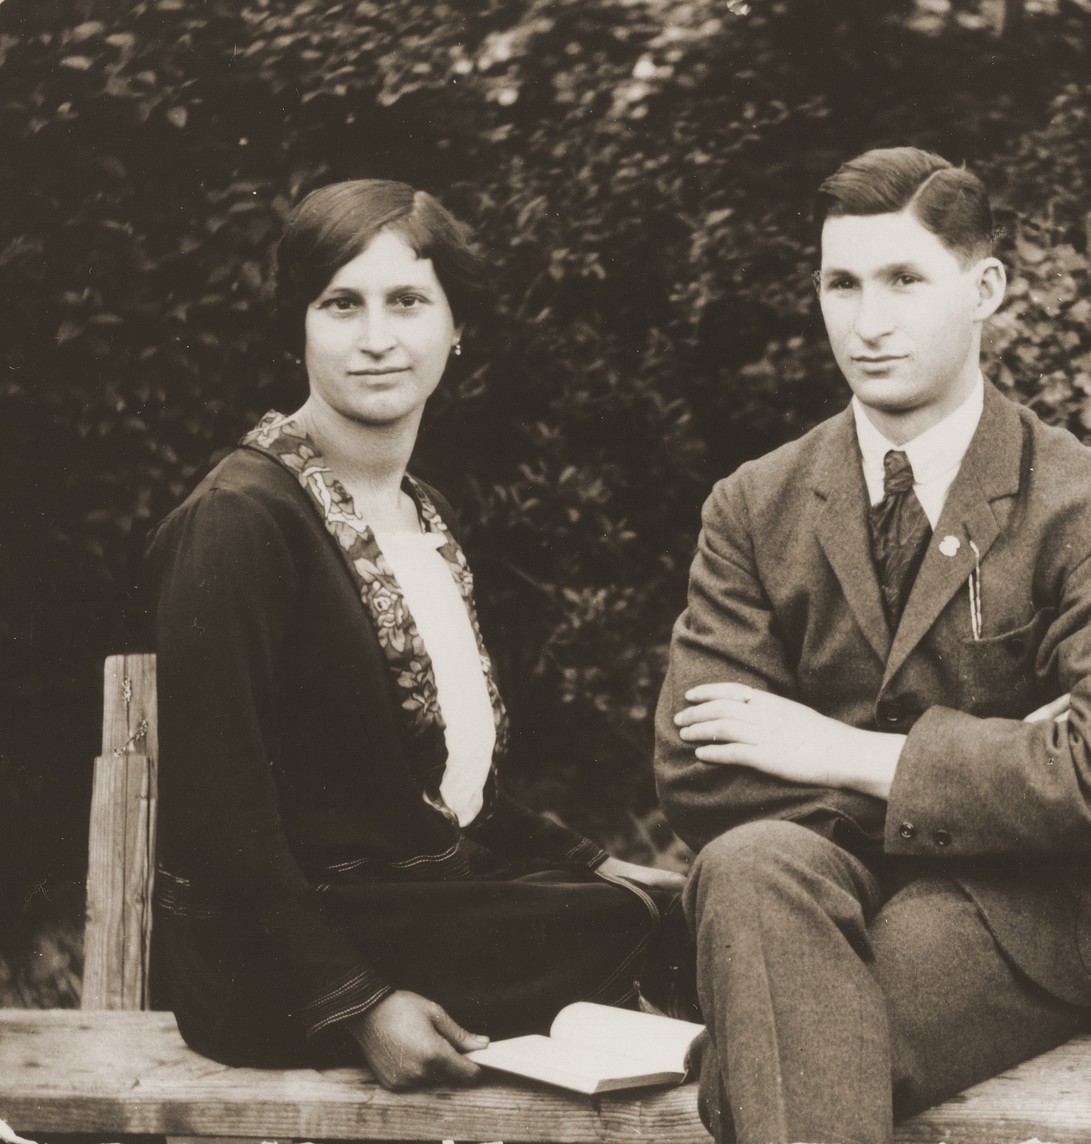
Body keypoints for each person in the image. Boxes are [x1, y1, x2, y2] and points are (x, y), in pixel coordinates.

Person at [653, 146, 1091, 1143]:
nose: (868, 321)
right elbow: (696, 769)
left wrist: (834, 749)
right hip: (811, 882)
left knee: (771, 1053)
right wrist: (999, 763)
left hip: (1012, 910)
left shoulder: (1090, 504)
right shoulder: (756, 502)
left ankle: (749, 1039)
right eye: (840, 283)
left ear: (984, 289)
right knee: (751, 863)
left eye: (903, 279)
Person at [144, 179, 687, 1091]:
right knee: (641, 928)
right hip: (270, 960)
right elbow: (218, 818)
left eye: (408, 301)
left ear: (456, 326)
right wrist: (360, 1004)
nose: (377, 337)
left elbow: (449, 787)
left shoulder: (422, 514)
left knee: (671, 904)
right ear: (299, 328)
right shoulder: (241, 521)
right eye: (340, 304)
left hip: (407, 902)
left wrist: (596, 861)